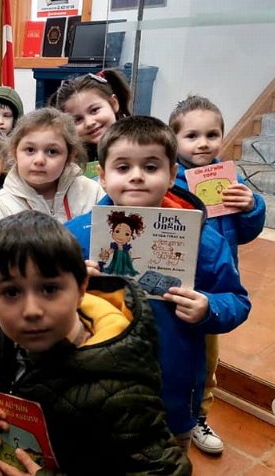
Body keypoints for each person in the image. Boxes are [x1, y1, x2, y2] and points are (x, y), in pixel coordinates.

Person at [0, 211, 191, 475]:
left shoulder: (121, 388)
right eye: (11, 292)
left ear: (81, 288)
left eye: (49, 289)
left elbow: (165, 470)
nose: (31, 310)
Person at [65, 115, 251, 449]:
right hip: (95, 385)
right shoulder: (74, 236)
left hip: (171, 392)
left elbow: (236, 300)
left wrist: (209, 307)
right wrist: (70, 288)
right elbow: (44, 298)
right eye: (123, 167)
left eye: (151, 167)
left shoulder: (205, 241)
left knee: (169, 459)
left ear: (171, 175)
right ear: (103, 176)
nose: (137, 175)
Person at [168, 95, 266, 455]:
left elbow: (246, 232)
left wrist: (251, 206)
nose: (203, 143)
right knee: (172, 360)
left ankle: (198, 417)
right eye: (192, 135)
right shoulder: (167, 181)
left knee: (206, 365)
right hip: (174, 287)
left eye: (212, 135)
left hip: (213, 290)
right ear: (174, 140)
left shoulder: (230, 180)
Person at [0, 107, 104, 279]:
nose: (39, 160)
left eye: (52, 151)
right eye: (30, 150)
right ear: (14, 152)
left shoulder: (92, 191)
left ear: (70, 156)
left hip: (92, 289)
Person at [48, 70, 132, 161]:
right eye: (78, 119)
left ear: (113, 103)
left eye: (94, 110)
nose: (89, 123)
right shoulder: (70, 161)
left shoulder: (138, 143)